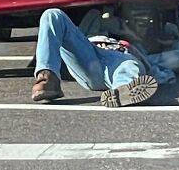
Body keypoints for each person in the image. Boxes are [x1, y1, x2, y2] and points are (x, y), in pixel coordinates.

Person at [31, 8, 161, 108]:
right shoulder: (95, 26)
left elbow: (170, 59)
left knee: (128, 65)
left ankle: (124, 90)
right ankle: (47, 78)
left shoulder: (141, 45)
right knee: (52, 14)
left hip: (120, 58)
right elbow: (94, 17)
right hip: (91, 53)